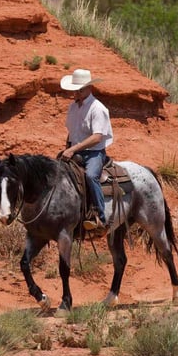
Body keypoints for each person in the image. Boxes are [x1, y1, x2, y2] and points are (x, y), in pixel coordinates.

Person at [60, 68, 113, 233]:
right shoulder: (73, 107)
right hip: (74, 150)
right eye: (74, 90)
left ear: (89, 88)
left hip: (94, 152)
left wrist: (73, 149)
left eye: (79, 90)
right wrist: (68, 148)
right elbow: (72, 131)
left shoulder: (98, 108)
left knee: (91, 176)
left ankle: (99, 217)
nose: (75, 93)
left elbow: (97, 137)